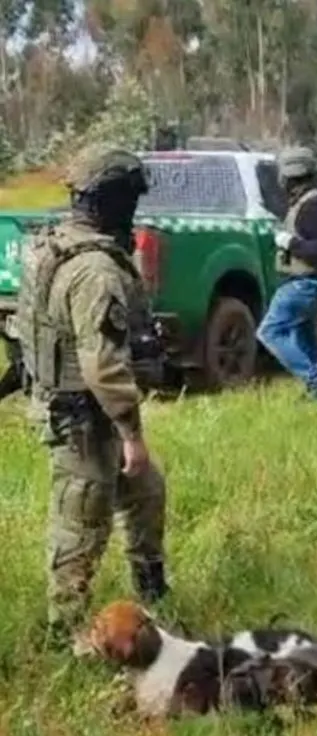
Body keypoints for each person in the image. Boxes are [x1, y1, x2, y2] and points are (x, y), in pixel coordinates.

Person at [15, 146, 171, 653]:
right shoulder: (95, 271)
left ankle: (153, 588)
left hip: (84, 408)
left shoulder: (54, 246)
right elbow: (101, 364)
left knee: (146, 493)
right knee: (81, 520)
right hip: (82, 416)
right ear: (114, 201)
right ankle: (64, 631)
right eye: (130, 200)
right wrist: (132, 435)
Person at [256, 146, 317, 401]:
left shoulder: (313, 206)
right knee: (304, 338)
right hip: (310, 281)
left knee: (270, 332)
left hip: (305, 283)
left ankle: (315, 381)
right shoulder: (310, 201)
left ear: (289, 175)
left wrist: (289, 242)